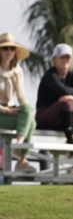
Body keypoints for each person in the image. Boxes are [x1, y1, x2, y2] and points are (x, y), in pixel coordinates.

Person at [35, 43, 73, 144]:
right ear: (54, 59)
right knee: (67, 102)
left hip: (65, 119)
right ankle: (70, 139)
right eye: (61, 57)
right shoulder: (50, 75)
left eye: (67, 57)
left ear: (71, 60)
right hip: (45, 118)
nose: (65, 60)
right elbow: (65, 91)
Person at [0, 33, 37, 173]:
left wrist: (28, 110)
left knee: (30, 118)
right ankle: (21, 158)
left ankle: (18, 147)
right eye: (5, 48)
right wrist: (7, 111)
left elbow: (21, 96)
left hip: (11, 109)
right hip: (2, 112)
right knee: (30, 124)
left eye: (12, 48)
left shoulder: (17, 70)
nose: (9, 51)